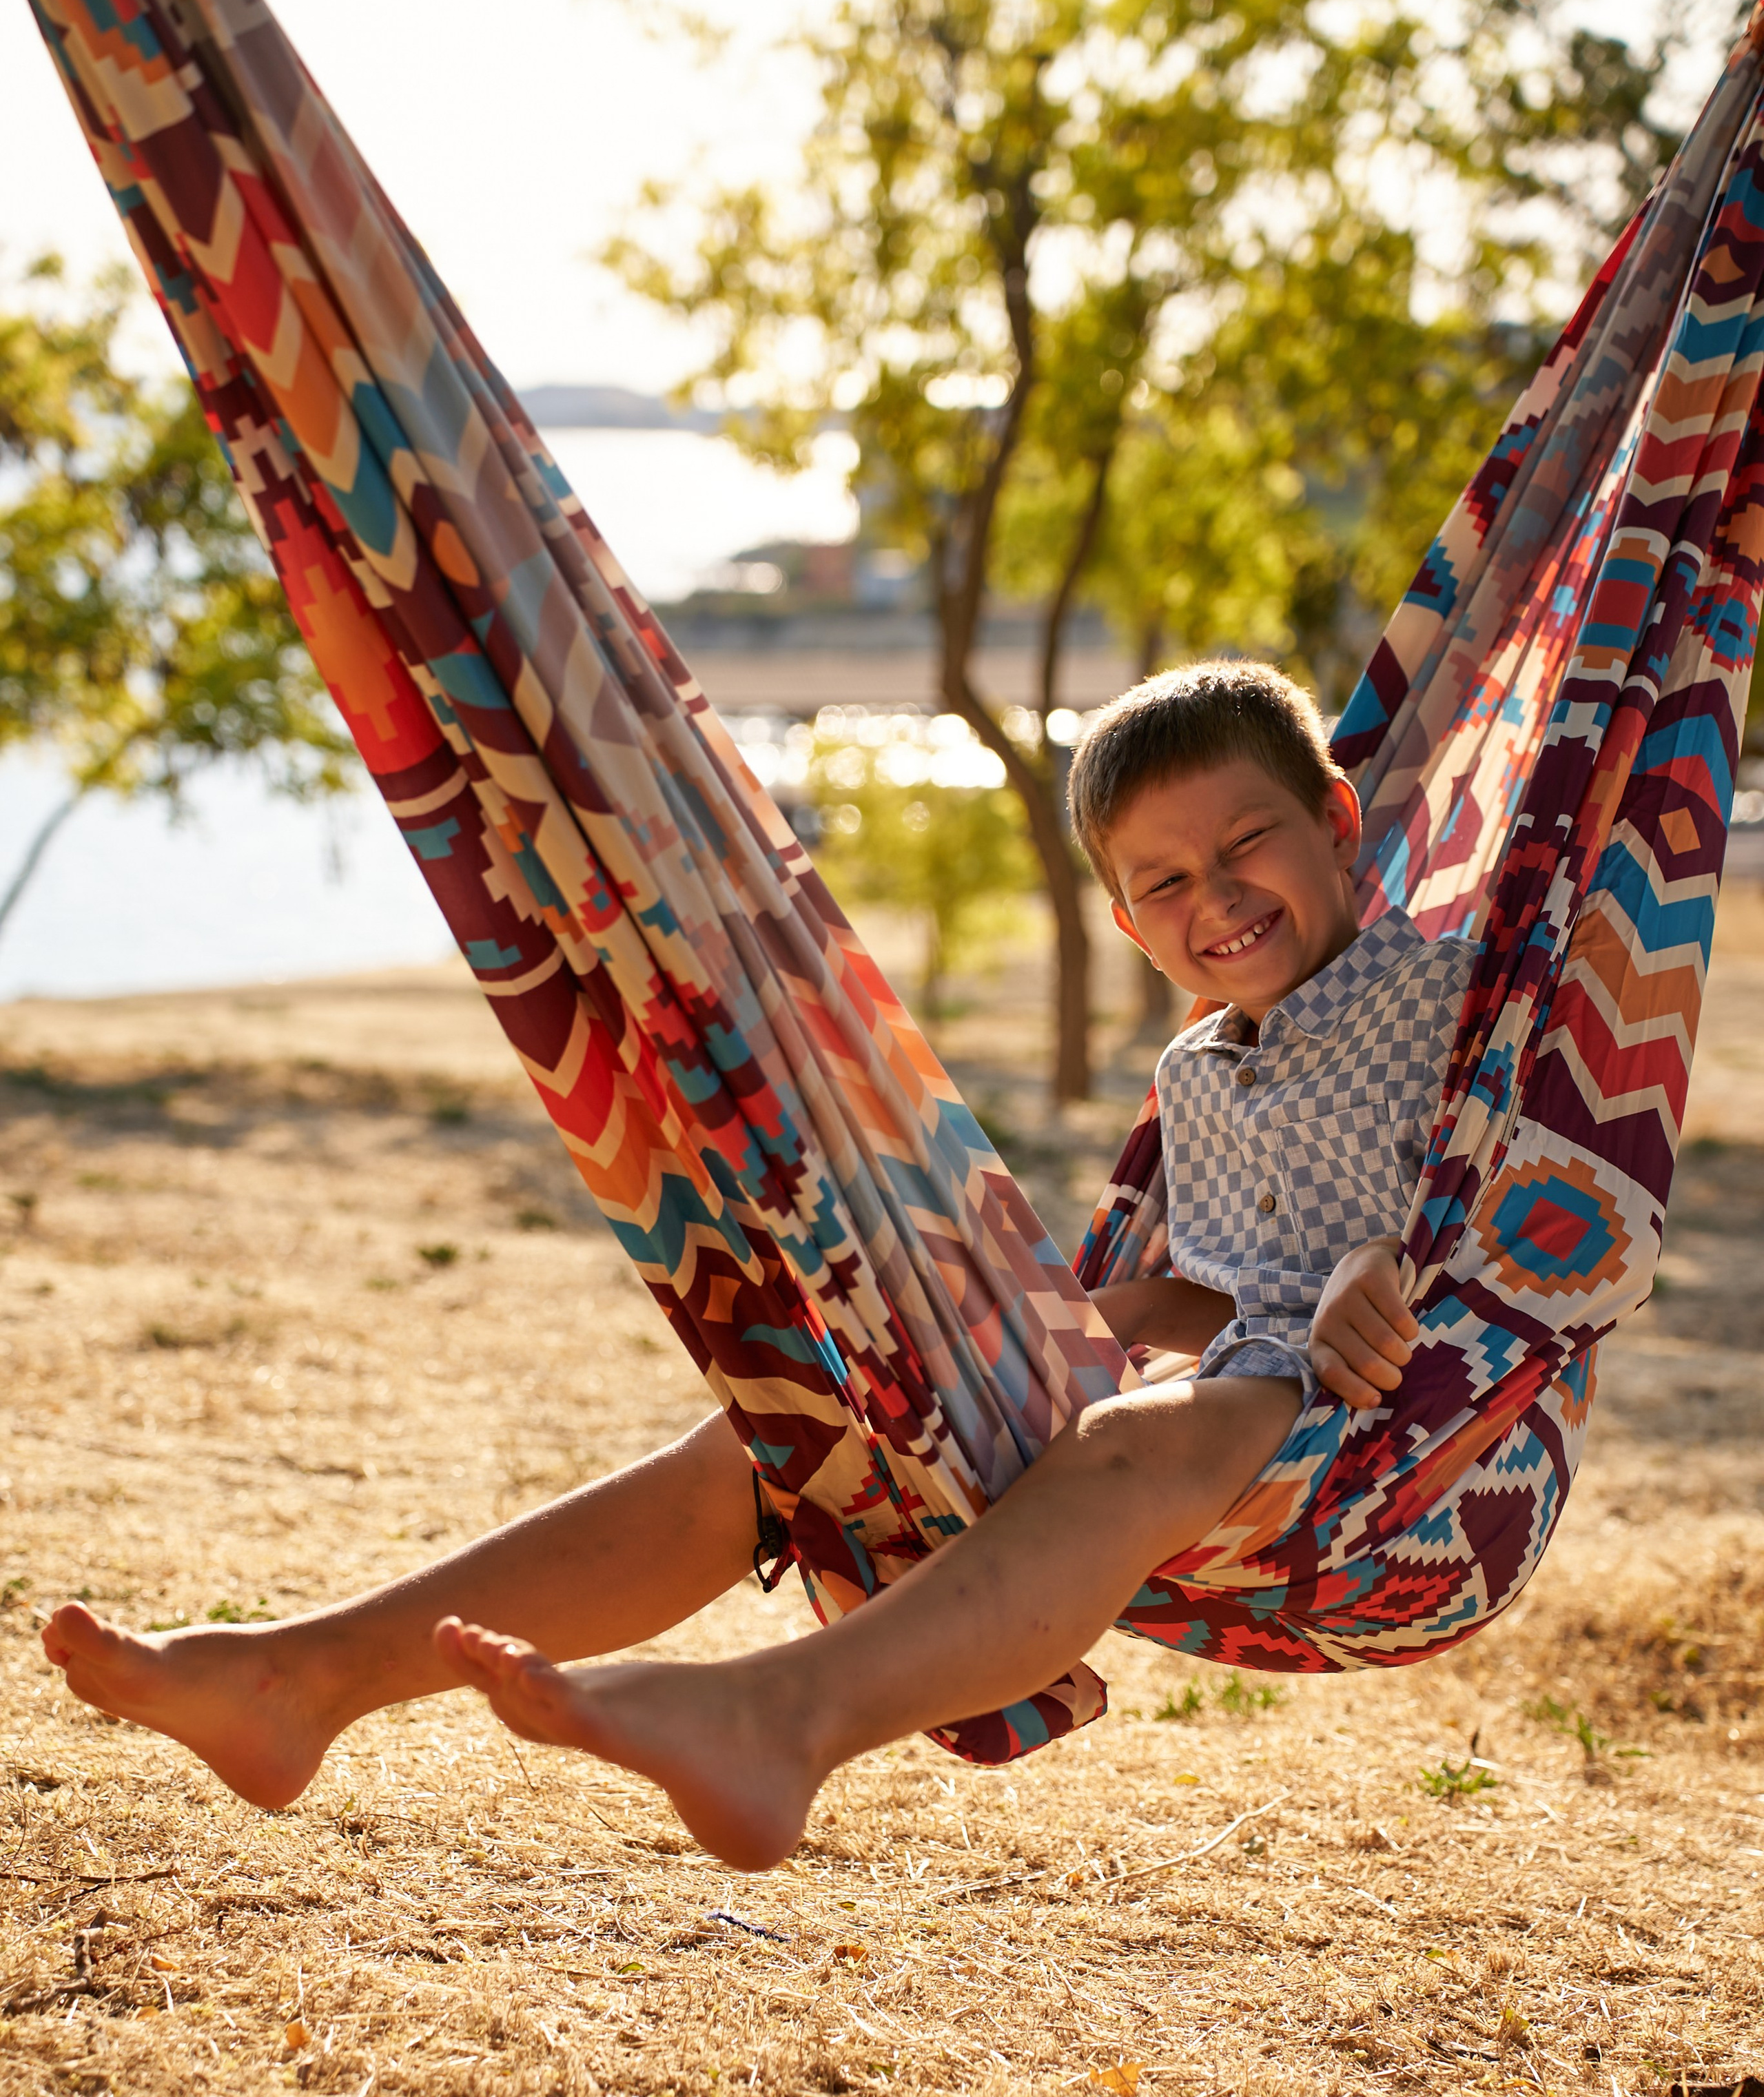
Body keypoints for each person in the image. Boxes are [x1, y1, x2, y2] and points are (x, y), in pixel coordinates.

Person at [43, 661, 1473, 1870]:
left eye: (1248, 843)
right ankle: (301, 1676)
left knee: (1126, 1441)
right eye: (1165, 881)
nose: (1216, 896)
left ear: (1336, 821)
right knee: (798, 1424)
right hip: (1226, 1385)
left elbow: (1527, 1199)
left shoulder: (1456, 997)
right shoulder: (1194, 1070)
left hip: (1381, 1431)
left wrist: (1387, 1260)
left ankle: (779, 1719)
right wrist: (1010, 1336)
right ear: (1126, 923)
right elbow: (1211, 1282)